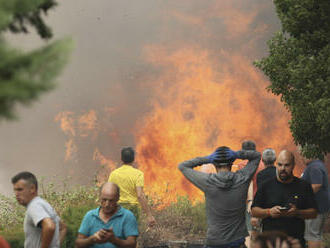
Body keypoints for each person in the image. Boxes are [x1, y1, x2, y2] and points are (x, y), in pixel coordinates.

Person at [178, 145, 261, 247]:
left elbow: (182, 166)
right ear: (231, 164)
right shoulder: (242, 179)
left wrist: (208, 158)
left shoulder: (207, 182)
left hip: (214, 242)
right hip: (237, 242)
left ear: (214, 165)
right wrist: (236, 154)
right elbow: (256, 156)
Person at [251, 150, 318, 247]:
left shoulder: (304, 186)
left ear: (293, 165)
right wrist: (269, 212)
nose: (283, 168)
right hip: (271, 243)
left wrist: (297, 212)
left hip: (295, 242)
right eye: (280, 165)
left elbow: (313, 213)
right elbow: (254, 211)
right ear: (276, 165)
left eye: (287, 165)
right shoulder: (266, 186)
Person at [11, 171, 67, 248]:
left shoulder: (34, 206)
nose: (16, 194)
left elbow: (49, 226)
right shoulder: (44, 204)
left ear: (32, 188)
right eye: (15, 190)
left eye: (20, 189)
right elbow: (63, 228)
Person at [75, 182, 138, 248]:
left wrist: (114, 240)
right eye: (104, 200)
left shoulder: (127, 216)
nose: (107, 204)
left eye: (111, 201)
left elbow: (132, 244)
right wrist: (92, 239)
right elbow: (78, 243)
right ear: (100, 197)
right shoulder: (90, 216)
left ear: (118, 198)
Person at [108, 147, 155, 226]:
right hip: (132, 209)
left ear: (121, 159)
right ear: (134, 159)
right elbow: (140, 195)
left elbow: (109, 192)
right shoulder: (138, 174)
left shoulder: (114, 174)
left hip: (117, 208)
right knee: (131, 234)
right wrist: (149, 215)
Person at [300, 154, 330, 248]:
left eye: (302, 155)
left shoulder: (314, 167)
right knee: (316, 235)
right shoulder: (318, 165)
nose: (301, 158)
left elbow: (316, 185)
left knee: (312, 236)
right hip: (321, 207)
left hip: (316, 208)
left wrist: (302, 197)